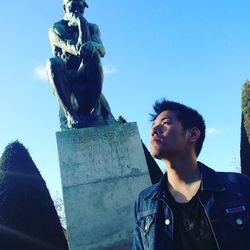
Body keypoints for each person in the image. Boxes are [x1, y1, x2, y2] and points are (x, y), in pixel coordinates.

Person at [133, 99, 250, 250]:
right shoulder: (144, 201)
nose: (154, 130)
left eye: (165, 123)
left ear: (193, 134)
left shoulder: (238, 186)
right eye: (153, 125)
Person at [46, 0, 115, 129]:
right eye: (73, 6)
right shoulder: (56, 28)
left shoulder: (93, 27)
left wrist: (92, 45)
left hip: (85, 70)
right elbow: (77, 50)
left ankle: (96, 107)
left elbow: (102, 50)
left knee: (93, 55)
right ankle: (70, 114)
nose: (77, 10)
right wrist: (81, 23)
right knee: (52, 63)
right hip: (67, 75)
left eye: (81, 7)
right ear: (64, 8)